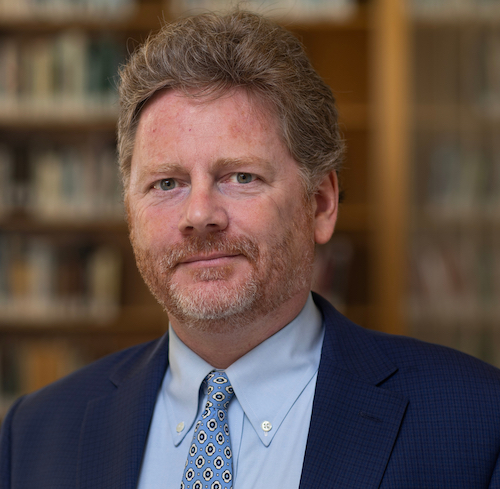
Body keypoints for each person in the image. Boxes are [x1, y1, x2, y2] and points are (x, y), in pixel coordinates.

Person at [2, 9, 500, 489]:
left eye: (241, 177)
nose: (199, 215)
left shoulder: (476, 422)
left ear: (321, 205)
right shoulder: (34, 434)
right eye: (166, 183)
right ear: (130, 213)